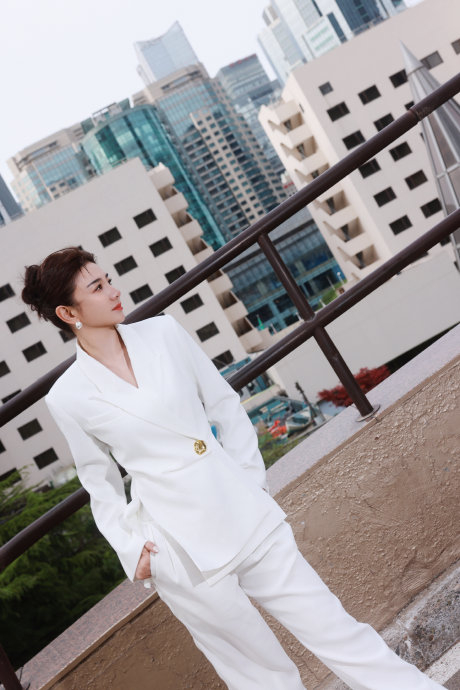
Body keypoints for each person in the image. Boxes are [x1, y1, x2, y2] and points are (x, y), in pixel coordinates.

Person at [22, 247, 444, 690]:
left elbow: (224, 404)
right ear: (68, 312)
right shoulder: (68, 396)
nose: (113, 291)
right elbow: (99, 484)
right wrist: (134, 551)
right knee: (260, 678)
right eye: (97, 287)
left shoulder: (163, 332)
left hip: (241, 508)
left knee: (336, 632)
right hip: (177, 547)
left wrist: (251, 483)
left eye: (108, 279)